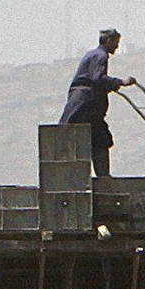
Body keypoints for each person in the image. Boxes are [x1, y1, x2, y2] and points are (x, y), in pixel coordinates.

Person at [59, 28, 136, 177]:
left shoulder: (92, 54)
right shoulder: (100, 56)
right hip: (85, 107)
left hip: (81, 106)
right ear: (108, 41)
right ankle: (103, 178)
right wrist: (120, 82)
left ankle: (99, 176)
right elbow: (98, 79)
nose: (117, 47)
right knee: (100, 139)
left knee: (93, 139)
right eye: (115, 43)